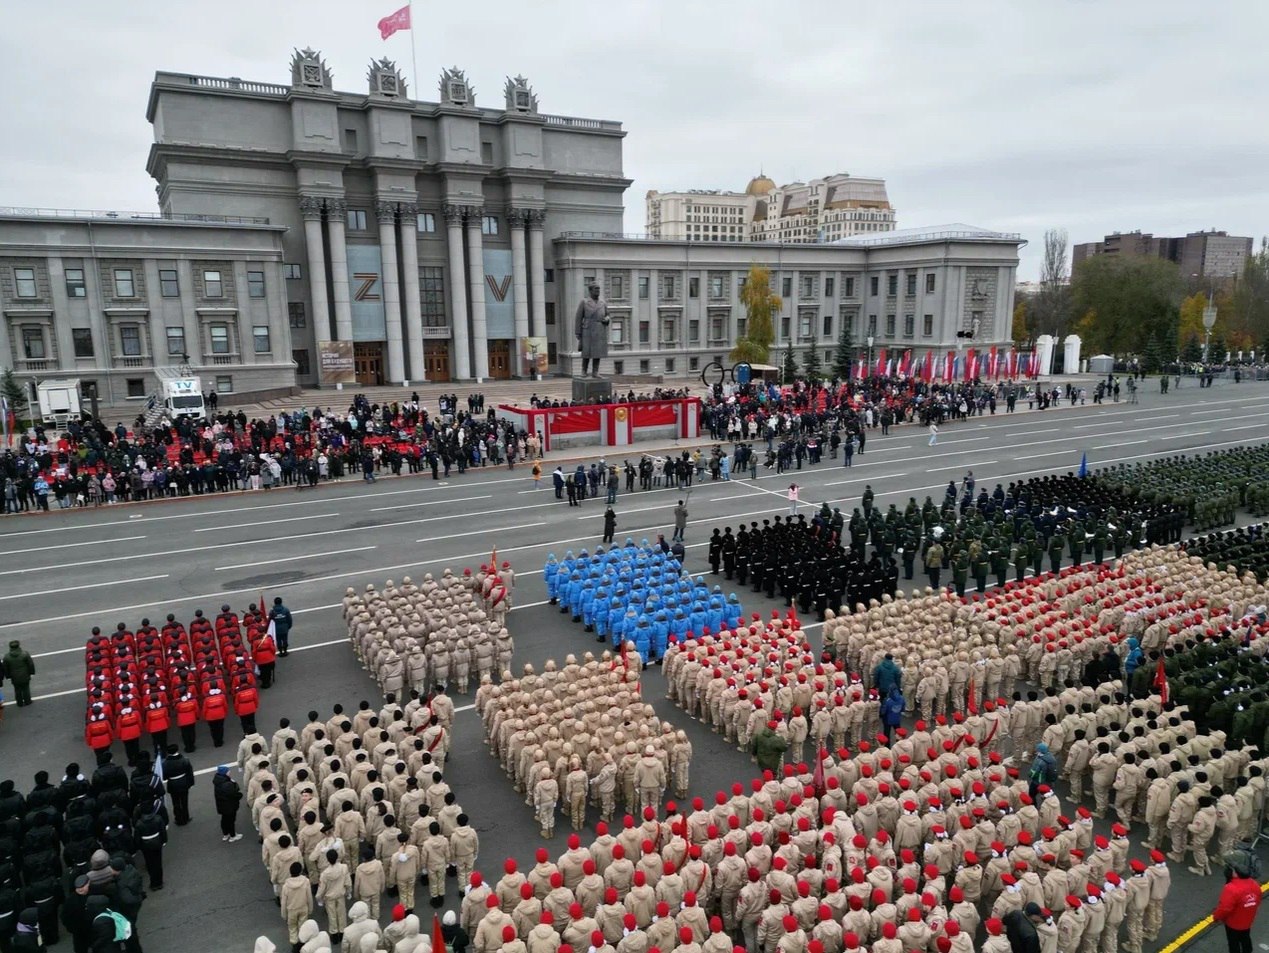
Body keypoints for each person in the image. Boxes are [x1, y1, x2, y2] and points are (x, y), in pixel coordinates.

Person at [1213, 861, 1261, 953]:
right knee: (1245, 938)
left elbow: (1225, 908)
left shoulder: (1231, 888)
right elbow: (1257, 901)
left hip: (1233, 923)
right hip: (1248, 921)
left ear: (1236, 874)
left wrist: (1216, 917)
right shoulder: (1255, 884)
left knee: (1233, 943)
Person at [161, 744, 194, 826]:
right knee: (184, 801)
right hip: (183, 782)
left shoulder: (165, 763)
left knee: (175, 803)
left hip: (172, 784)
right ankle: (186, 817)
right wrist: (191, 783)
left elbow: (164, 777)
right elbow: (189, 772)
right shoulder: (184, 760)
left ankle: (178, 819)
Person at [213, 765, 243, 842]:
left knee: (224, 820)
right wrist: (239, 794)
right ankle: (233, 835)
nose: (229, 772)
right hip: (229, 805)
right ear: (225, 773)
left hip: (221, 805)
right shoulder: (227, 784)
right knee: (231, 820)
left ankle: (226, 834)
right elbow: (234, 794)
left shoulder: (218, 781)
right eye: (228, 771)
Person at [2, 640, 35, 707]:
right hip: (25, 674)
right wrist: (31, 673)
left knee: (17, 689)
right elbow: (30, 664)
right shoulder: (25, 654)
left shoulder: (7, 657)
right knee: (26, 688)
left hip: (14, 676)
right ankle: (27, 701)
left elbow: (5, 668)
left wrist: (8, 676)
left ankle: (19, 703)